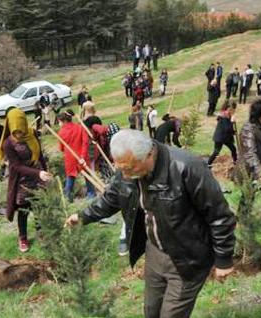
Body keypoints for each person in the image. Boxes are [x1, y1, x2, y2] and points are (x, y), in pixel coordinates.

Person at [64, 130, 237, 318]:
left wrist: (224, 259)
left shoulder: (186, 167)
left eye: (130, 169)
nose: (126, 175)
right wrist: (82, 216)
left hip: (187, 257)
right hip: (155, 251)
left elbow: (220, 216)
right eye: (122, 169)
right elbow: (112, 197)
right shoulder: (128, 168)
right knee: (151, 312)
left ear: (149, 154)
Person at [0, 108, 51, 252]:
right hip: (22, 180)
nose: (19, 135)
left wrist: (45, 170)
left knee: (39, 207)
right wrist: (38, 172)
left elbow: (39, 154)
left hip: (38, 177)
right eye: (16, 132)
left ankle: (41, 233)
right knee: (24, 210)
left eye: (21, 131)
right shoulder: (8, 144)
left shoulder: (32, 134)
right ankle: (23, 238)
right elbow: (17, 166)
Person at [57, 111, 96, 202]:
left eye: (59, 122)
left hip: (70, 158)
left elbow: (61, 148)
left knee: (70, 177)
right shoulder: (80, 128)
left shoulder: (61, 132)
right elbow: (85, 142)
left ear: (64, 121)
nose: (59, 124)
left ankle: (68, 198)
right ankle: (91, 194)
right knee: (88, 176)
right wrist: (82, 155)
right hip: (82, 156)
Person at [207, 100, 237, 166]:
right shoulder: (224, 116)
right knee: (216, 152)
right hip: (220, 137)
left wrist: (233, 132)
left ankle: (235, 162)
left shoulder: (228, 115)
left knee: (233, 149)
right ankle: (208, 164)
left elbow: (229, 129)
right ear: (229, 108)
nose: (234, 111)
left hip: (226, 138)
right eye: (233, 109)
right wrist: (232, 121)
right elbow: (227, 128)